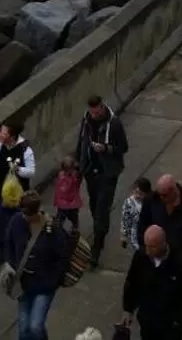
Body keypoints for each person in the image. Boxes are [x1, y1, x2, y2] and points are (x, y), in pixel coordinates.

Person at [4, 191, 72, 340]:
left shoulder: (52, 229)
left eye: (26, 214)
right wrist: (10, 263)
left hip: (44, 286)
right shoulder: (16, 221)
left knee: (35, 326)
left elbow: (62, 257)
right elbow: (9, 243)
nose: (23, 217)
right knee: (23, 329)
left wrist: (53, 281)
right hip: (23, 284)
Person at [119, 225, 182, 340]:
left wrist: (180, 320)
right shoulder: (141, 257)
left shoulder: (181, 266)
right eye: (147, 246)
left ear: (163, 244)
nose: (148, 251)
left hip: (169, 329)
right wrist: (128, 309)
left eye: (152, 247)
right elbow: (132, 282)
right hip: (147, 323)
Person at [74, 95, 129, 262]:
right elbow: (81, 141)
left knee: (102, 208)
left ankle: (97, 246)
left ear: (102, 107)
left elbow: (123, 147)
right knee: (93, 203)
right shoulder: (86, 120)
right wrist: (79, 162)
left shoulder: (114, 123)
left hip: (107, 172)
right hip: (91, 170)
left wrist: (105, 148)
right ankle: (100, 231)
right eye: (91, 112)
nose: (94, 115)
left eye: (96, 112)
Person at [137, 174, 182, 279]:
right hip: (155, 258)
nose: (161, 198)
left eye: (164, 195)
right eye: (160, 194)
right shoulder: (152, 200)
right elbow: (142, 226)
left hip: (181, 261)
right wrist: (143, 250)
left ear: (173, 191)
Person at [0, 121, 37, 266]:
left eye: (4, 132)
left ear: (12, 136)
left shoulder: (25, 149)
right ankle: (0, 251)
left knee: (17, 223)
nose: (0, 134)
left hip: (17, 194)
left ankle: (18, 253)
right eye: (0, 131)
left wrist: (18, 169)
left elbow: (31, 171)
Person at [52, 155, 84, 231]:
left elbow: (78, 179)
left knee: (74, 218)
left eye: (69, 169)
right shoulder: (61, 174)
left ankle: (74, 229)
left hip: (72, 203)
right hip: (63, 203)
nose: (67, 172)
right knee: (60, 218)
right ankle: (59, 230)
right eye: (65, 169)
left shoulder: (75, 176)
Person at [120, 176, 152, 248]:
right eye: (136, 192)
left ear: (147, 193)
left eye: (141, 194)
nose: (137, 196)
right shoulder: (129, 202)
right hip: (136, 236)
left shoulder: (151, 202)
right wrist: (124, 235)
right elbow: (126, 219)